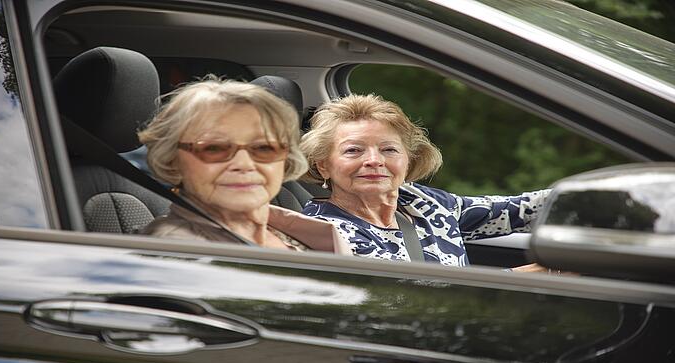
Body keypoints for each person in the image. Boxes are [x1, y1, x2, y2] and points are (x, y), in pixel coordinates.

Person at [299, 94, 550, 267]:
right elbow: (415, 297)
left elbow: (519, 211)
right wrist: (532, 276)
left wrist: (581, 198)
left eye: (389, 150)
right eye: (353, 150)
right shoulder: (324, 229)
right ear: (323, 165)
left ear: (409, 160)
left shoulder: (421, 202)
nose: (374, 160)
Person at [138, 78, 352, 255]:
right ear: (173, 160)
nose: (244, 164)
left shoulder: (285, 230)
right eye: (214, 148)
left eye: (264, 148)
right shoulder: (177, 254)